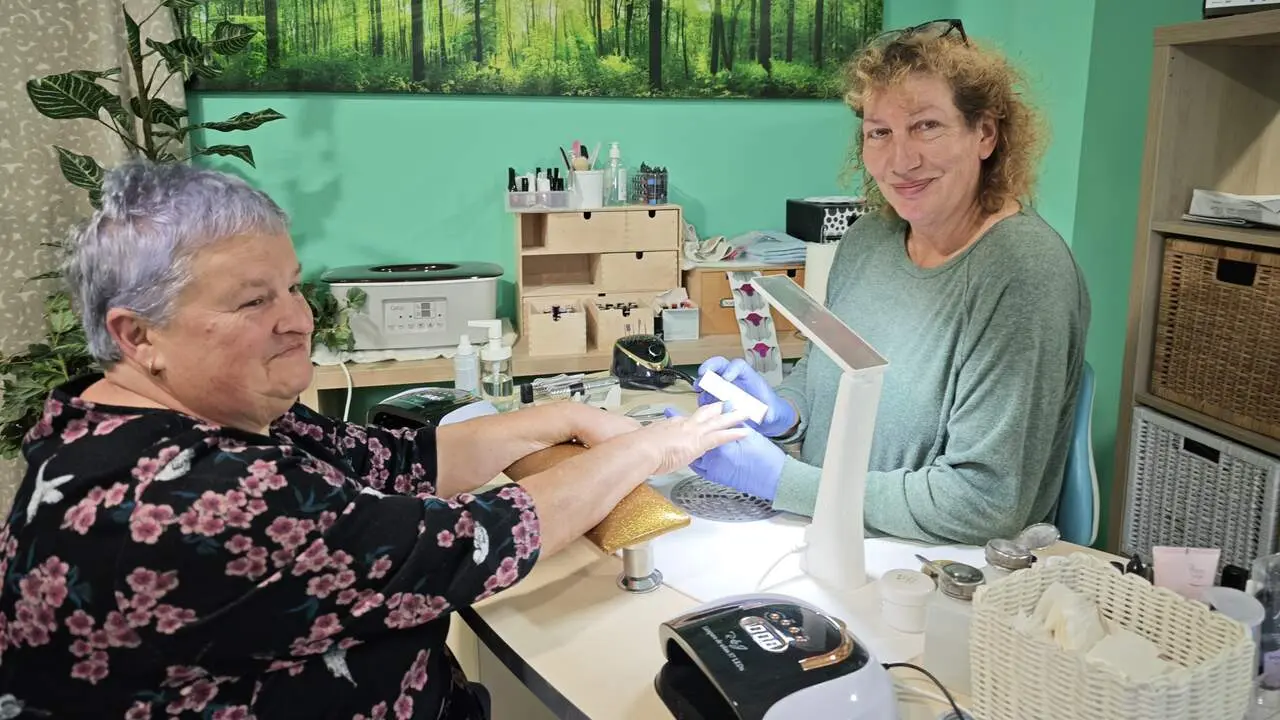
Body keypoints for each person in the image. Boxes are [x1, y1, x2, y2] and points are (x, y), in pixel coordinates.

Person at [0, 162, 749, 719]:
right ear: (139, 335)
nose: (298, 319)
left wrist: (565, 418)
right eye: (254, 301)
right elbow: (471, 542)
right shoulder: (188, 494)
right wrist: (653, 449)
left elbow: (404, 463)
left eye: (292, 285)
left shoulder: (180, 417)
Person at [689, 18, 1091, 546]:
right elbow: (824, 377)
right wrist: (783, 412)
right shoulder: (870, 240)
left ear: (985, 134)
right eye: (880, 133)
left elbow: (983, 504)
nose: (901, 161)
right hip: (828, 532)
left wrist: (782, 481)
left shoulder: (1023, 271)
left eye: (926, 126)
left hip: (932, 568)